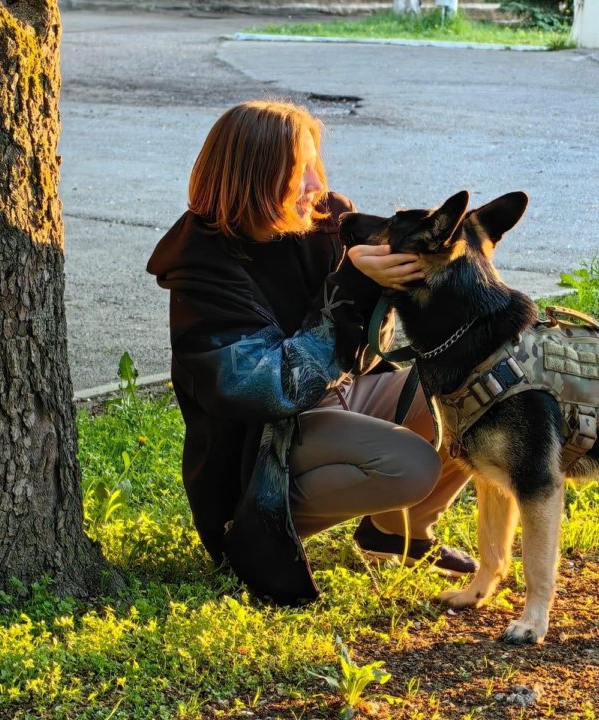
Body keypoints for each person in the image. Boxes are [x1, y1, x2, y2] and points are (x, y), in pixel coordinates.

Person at [146, 99, 476, 604]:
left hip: (336, 400)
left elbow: (367, 355)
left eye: (315, 165)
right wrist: (352, 283)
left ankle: (396, 529)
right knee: (412, 465)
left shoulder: (326, 220)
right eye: (299, 171)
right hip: (259, 454)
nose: (315, 185)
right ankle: (255, 534)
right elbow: (272, 392)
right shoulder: (200, 272)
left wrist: (390, 284)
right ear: (254, 179)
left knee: (471, 395)